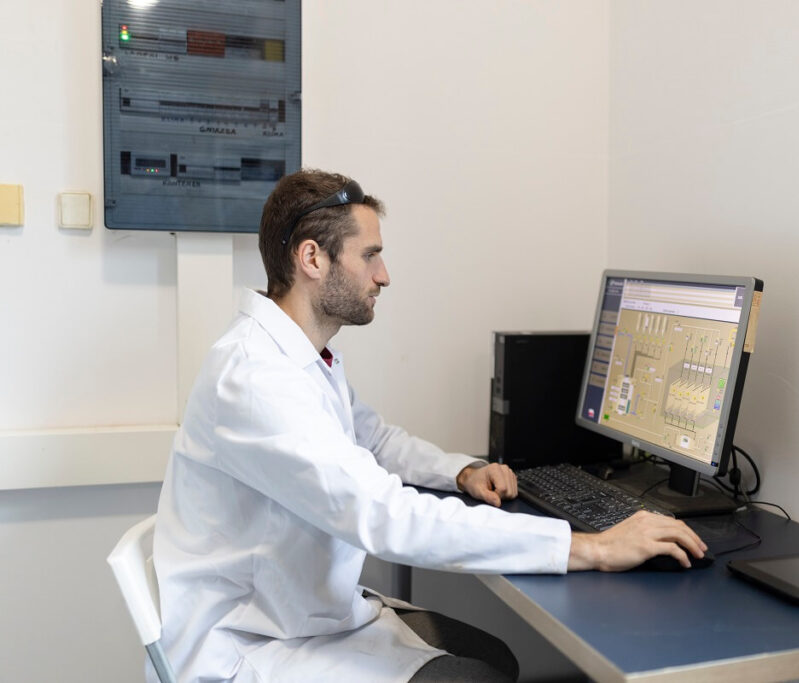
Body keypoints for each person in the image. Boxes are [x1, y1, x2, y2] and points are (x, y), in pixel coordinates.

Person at [153, 168, 707, 683]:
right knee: (483, 675)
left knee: (497, 658)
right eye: (370, 255)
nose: (384, 275)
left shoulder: (301, 358)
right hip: (252, 645)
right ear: (312, 258)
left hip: (299, 613)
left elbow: (373, 439)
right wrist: (592, 548)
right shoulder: (255, 378)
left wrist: (461, 471)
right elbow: (383, 515)